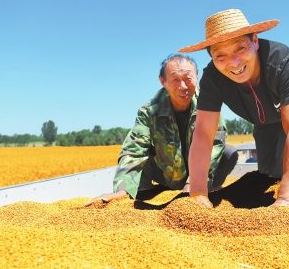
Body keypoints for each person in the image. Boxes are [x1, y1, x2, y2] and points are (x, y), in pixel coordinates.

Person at [178, 9, 289, 208]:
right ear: (211, 57)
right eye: (220, 55)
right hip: (263, 117)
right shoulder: (212, 79)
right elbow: (203, 132)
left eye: (240, 48)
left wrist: (284, 201)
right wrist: (197, 192)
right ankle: (288, 173)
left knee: (283, 164)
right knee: (267, 173)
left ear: (255, 41)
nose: (234, 62)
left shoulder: (283, 63)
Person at [85, 54, 238, 206]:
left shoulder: (208, 104)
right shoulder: (149, 111)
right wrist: (122, 190)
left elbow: (215, 144)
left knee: (228, 154)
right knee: (144, 156)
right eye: (175, 79)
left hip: (198, 177)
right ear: (163, 82)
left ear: (197, 77)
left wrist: (195, 184)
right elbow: (134, 150)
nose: (183, 86)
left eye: (188, 79)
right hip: (165, 174)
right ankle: (143, 193)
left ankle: (208, 188)